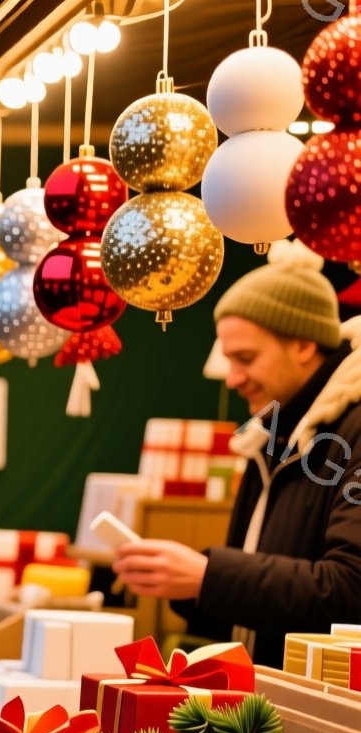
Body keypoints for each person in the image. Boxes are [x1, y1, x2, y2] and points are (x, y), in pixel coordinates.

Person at [114, 241, 361, 666]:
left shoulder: (351, 434)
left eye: (245, 358)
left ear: (303, 345)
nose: (232, 378)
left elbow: (349, 590)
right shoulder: (271, 432)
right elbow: (264, 592)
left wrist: (209, 577)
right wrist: (189, 587)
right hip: (258, 706)